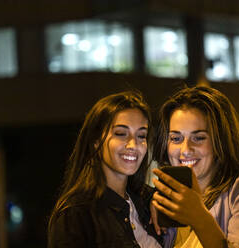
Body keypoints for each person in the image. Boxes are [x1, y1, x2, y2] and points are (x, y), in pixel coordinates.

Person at [151, 85, 239, 248]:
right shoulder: (165, 204)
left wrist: (199, 218)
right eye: (176, 138)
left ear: (220, 142)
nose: (185, 150)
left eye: (199, 138)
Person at [47, 91, 163, 248]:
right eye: (121, 134)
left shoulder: (148, 202)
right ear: (96, 140)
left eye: (141, 136)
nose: (133, 145)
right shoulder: (76, 215)